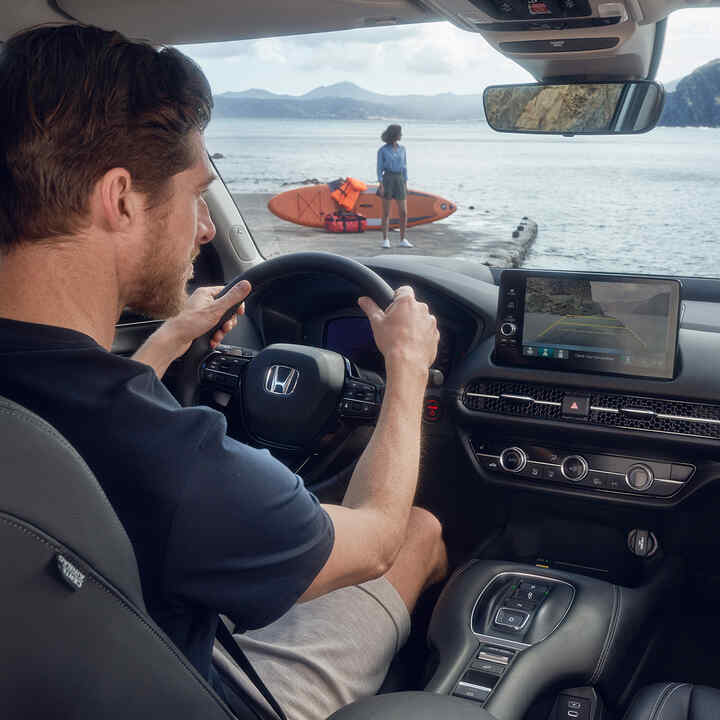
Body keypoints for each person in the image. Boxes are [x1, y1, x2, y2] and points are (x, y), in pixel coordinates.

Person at [0, 24, 447, 720]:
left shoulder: (43, 398)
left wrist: (171, 341)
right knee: (420, 531)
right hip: (191, 687)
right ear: (119, 199)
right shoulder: (177, 466)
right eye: (195, 194)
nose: (205, 229)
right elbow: (374, 538)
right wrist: (409, 369)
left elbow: (79, 413)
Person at [377, 124, 412, 250]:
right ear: (394, 134)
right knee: (386, 212)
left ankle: (403, 239)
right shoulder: (383, 150)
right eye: (400, 133)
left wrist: (406, 183)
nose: (401, 135)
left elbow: (405, 167)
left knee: (403, 212)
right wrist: (380, 184)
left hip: (400, 179)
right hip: (387, 179)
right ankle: (385, 239)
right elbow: (379, 168)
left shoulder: (403, 149)